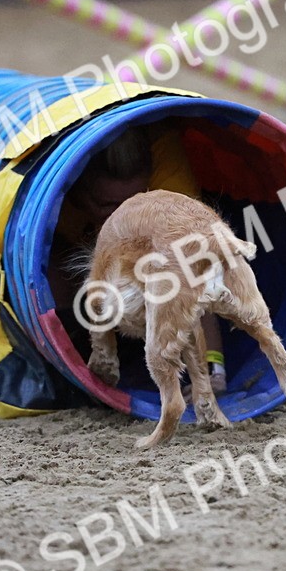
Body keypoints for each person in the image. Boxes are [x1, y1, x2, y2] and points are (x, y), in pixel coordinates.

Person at [48, 122, 228, 394]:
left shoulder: (169, 192)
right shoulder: (58, 209)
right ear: (80, 194)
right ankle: (71, 355)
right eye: (109, 207)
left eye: (134, 201)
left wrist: (214, 369)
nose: (124, 219)